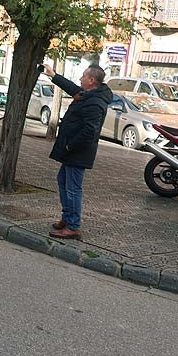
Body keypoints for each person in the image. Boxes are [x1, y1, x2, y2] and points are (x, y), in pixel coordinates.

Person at [42, 63, 112, 239]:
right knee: (63, 181)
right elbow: (72, 88)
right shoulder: (88, 94)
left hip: (77, 152)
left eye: (83, 76)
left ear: (91, 80)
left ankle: (73, 226)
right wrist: (53, 75)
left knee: (73, 188)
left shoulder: (95, 102)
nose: (80, 79)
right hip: (72, 151)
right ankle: (67, 218)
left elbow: (90, 130)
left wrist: (69, 146)